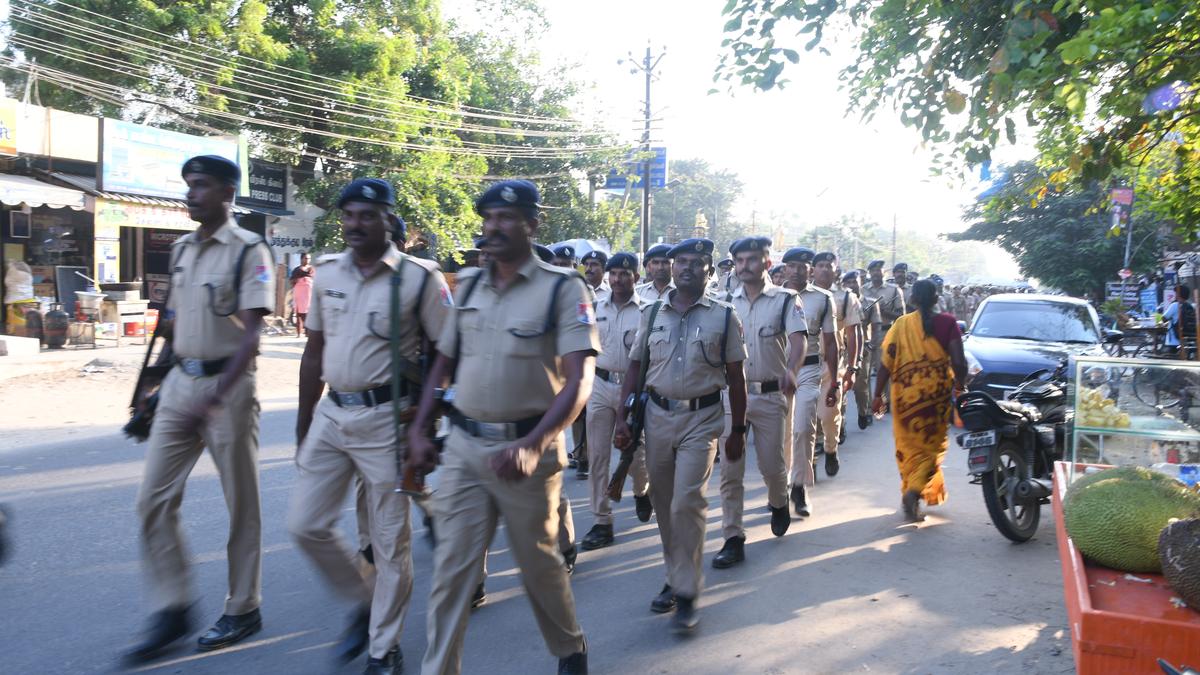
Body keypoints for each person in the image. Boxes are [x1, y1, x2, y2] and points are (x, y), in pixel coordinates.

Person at [407, 180, 594, 675]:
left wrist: (535, 445)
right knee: (451, 574)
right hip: (466, 448)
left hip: (526, 453)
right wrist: (421, 430)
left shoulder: (562, 287)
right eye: (488, 218)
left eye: (506, 218)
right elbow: (442, 363)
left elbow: (579, 380)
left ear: (531, 225)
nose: (494, 227)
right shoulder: (467, 284)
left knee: (539, 568)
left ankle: (570, 649)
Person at [287, 179, 448, 674]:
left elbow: (447, 352)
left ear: (388, 221)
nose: (355, 224)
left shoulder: (420, 278)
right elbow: (314, 351)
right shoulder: (329, 272)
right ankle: (363, 600)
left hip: (388, 419)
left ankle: (384, 649)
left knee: (388, 540)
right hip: (334, 415)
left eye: (367, 215)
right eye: (349, 215)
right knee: (305, 525)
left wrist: (423, 426)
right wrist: (304, 421)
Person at [126, 156, 275, 662]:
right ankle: (173, 607)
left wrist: (214, 400)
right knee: (152, 501)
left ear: (228, 193)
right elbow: (171, 324)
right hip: (178, 387)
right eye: (189, 185)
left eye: (202, 186)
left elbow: (252, 335)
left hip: (227, 392)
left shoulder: (249, 250)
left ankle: (243, 606)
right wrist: (152, 386)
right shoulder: (183, 249)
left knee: (242, 506)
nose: (191, 194)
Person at [614, 237, 747, 634]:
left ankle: (687, 591)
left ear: (709, 270)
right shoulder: (651, 313)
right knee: (664, 502)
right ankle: (675, 574)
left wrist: (737, 429)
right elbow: (635, 368)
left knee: (687, 501)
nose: (687, 268)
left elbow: (736, 379)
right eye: (681, 261)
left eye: (696, 262)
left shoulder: (725, 316)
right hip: (656, 417)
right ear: (671, 268)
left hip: (702, 420)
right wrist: (623, 418)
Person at [712, 237, 806, 569]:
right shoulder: (724, 303)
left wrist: (791, 372)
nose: (744, 266)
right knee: (730, 468)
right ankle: (733, 537)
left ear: (767, 263)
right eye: (739, 260)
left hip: (769, 395)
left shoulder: (785, 300)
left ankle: (779, 502)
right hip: (732, 396)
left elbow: (798, 342)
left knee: (771, 466)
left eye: (752, 259)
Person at [871, 279, 968, 522]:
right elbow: (958, 362)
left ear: (912, 299)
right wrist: (960, 385)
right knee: (932, 448)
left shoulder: (901, 324)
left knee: (908, 448)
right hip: (935, 397)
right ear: (937, 298)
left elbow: (886, 364)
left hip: (904, 398)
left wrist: (877, 394)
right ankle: (914, 491)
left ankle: (910, 491)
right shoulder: (948, 323)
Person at [580, 252, 652, 551]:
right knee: (597, 455)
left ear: (636, 277)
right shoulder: (595, 307)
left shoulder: (650, 311)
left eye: (625, 273)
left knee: (634, 454)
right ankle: (602, 521)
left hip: (634, 390)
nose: (618, 279)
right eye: (614, 274)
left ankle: (641, 488)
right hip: (600, 385)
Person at [781, 247, 838, 517]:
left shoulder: (824, 299)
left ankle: (800, 485)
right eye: (791, 266)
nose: (796, 271)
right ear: (783, 269)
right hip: (777, 370)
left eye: (802, 266)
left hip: (809, 369)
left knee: (803, 427)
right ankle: (780, 484)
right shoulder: (773, 296)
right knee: (782, 431)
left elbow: (831, 341)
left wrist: (836, 380)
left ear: (810, 270)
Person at [811, 251, 858, 476]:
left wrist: (853, 367)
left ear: (835, 270)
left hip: (832, 364)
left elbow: (853, 332)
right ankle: (807, 461)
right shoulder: (799, 295)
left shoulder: (846, 297)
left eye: (828, 266)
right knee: (804, 420)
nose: (824, 270)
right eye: (819, 265)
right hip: (803, 364)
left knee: (829, 415)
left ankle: (830, 449)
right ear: (813, 269)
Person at [842, 270, 878, 432]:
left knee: (860, 385)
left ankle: (864, 412)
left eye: (854, 281)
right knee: (840, 387)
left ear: (860, 283)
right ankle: (840, 425)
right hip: (842, 348)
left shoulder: (870, 302)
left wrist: (873, 344)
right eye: (848, 282)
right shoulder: (839, 301)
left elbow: (876, 326)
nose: (851, 285)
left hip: (862, 348)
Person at [1164, 284, 1197, 359]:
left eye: (1176, 293)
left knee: (1169, 361)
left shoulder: (1175, 305)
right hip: (1186, 339)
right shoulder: (1190, 306)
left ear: (1178, 294)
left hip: (1173, 341)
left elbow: (1164, 318)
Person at [290, 252, 314, 336]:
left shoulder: (312, 269)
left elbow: (316, 279)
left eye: (309, 258)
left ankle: (307, 332)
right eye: (306, 258)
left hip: (309, 293)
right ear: (301, 259)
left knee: (309, 312)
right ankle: (299, 333)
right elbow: (292, 281)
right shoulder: (297, 270)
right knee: (299, 312)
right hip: (300, 292)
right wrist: (299, 280)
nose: (307, 260)